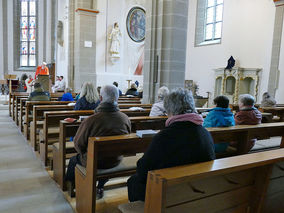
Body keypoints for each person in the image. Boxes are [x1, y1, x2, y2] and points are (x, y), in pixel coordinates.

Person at [127, 88, 215, 202]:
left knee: (133, 181)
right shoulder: (205, 133)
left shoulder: (164, 136)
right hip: (199, 188)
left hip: (170, 192)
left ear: (169, 110)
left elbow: (143, 169)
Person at [65, 85, 131, 199]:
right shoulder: (125, 118)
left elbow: (78, 144)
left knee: (73, 161)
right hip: (115, 159)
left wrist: (83, 153)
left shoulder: (91, 120)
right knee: (106, 155)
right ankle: (100, 186)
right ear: (117, 98)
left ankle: (72, 187)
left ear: (100, 98)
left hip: (95, 161)